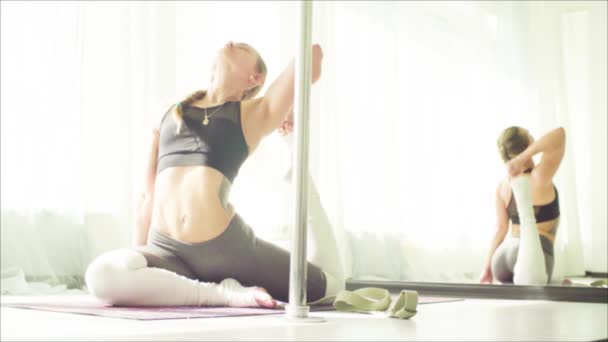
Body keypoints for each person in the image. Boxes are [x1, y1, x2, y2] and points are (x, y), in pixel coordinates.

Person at [85, 41, 344, 308]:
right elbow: (145, 195)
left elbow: (312, 55)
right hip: (166, 250)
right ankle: (222, 294)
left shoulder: (251, 113)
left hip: (226, 250)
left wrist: (286, 106)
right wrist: (140, 262)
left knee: (330, 287)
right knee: (100, 276)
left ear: (254, 78)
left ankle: (226, 288)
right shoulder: (167, 112)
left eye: (244, 48)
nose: (233, 42)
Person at [480, 126, 565, 284]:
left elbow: (501, 228)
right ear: (528, 145)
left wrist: (487, 268)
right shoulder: (540, 176)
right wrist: (522, 159)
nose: (531, 132)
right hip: (532, 254)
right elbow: (559, 135)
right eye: (528, 133)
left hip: (501, 259)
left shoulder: (503, 185)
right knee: (534, 279)